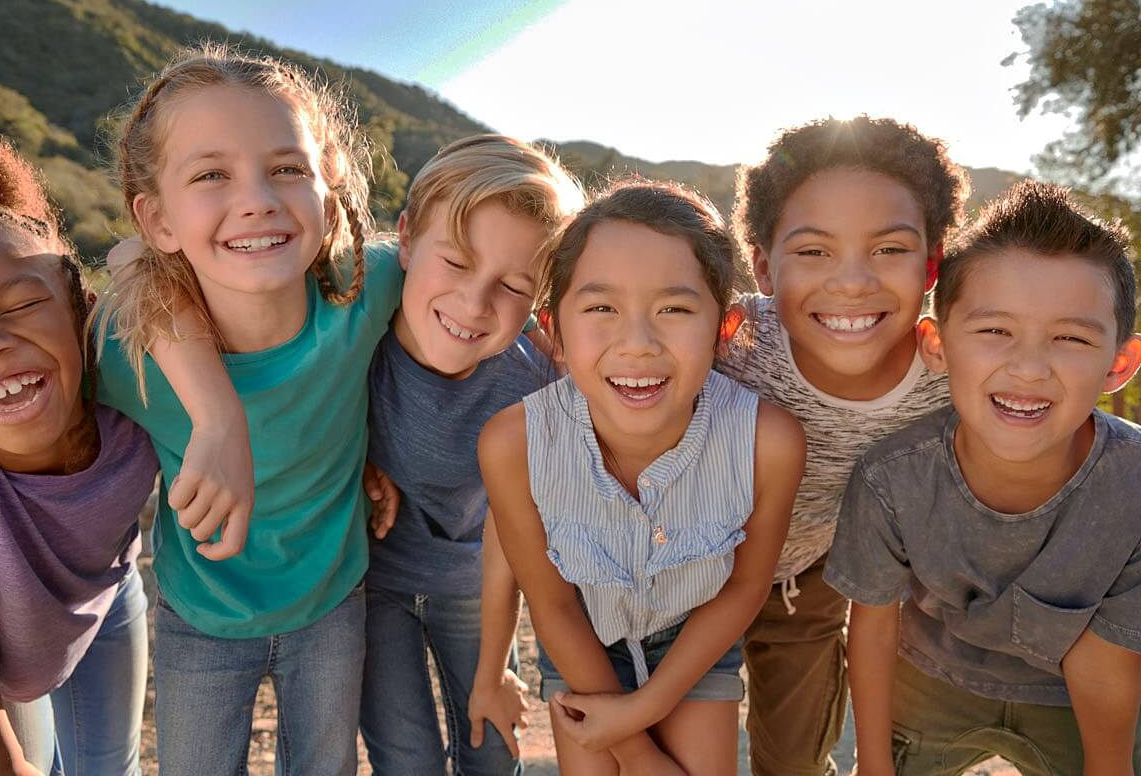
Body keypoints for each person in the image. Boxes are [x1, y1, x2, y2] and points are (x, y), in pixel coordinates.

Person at [92, 45, 403, 775]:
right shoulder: (122, 348)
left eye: (287, 168)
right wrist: (216, 412)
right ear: (158, 217)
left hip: (332, 602)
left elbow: (482, 284)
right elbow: (124, 260)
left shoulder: (366, 289)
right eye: (210, 175)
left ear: (330, 191)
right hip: (200, 616)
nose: (258, 197)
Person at [481, 180, 805, 774]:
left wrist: (646, 709)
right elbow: (551, 604)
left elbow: (744, 588)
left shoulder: (768, 441)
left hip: (696, 638)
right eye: (601, 308)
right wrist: (635, 753)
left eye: (675, 309)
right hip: (582, 638)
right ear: (554, 327)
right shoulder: (513, 443)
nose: (637, 344)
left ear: (725, 327)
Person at [827, 180, 1141, 776]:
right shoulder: (893, 479)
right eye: (995, 331)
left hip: (1071, 696)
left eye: (1071, 338)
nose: (1028, 368)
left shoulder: (1134, 489)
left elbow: (1110, 658)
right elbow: (870, 625)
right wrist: (872, 764)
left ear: (1117, 365)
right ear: (937, 343)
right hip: (930, 675)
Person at [714, 116, 967, 776]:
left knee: (792, 760)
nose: (852, 281)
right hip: (682, 576)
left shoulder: (952, 377)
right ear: (764, 267)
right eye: (814, 251)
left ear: (932, 262)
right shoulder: (727, 341)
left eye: (888, 249)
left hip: (804, 586)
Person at [360, 134, 583, 775]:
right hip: (374, 585)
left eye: (513, 285)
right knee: (408, 762)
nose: (474, 303)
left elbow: (516, 537)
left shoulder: (536, 382)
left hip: (479, 587)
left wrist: (496, 668)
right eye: (456, 262)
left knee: (492, 753)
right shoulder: (356, 337)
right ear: (405, 238)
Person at [0, 117, 158, 775]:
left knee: (107, 768)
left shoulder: (137, 395)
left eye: (18, 307)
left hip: (106, 600)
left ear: (83, 312)